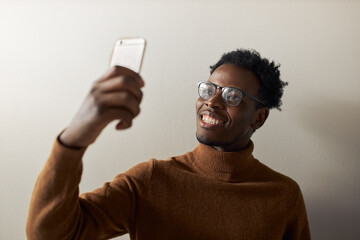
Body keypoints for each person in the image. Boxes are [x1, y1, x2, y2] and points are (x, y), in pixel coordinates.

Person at [26, 49, 311, 240]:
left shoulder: (283, 195)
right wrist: (74, 139)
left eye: (232, 96)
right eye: (208, 90)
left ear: (259, 117)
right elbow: (48, 233)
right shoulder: (151, 180)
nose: (211, 102)